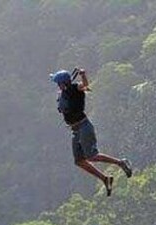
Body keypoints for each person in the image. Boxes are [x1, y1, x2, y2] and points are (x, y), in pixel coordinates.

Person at [50, 68, 132, 196]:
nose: (57, 86)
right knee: (79, 161)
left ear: (64, 83)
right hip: (75, 130)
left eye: (58, 83)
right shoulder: (63, 92)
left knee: (92, 156)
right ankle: (106, 179)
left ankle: (121, 162)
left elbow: (85, 85)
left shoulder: (76, 88)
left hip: (84, 127)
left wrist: (83, 75)